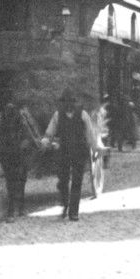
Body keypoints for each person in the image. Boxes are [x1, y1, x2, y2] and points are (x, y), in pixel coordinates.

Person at [43, 88, 103, 221]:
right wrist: (45, 141)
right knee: (63, 181)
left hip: (79, 152)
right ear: (63, 103)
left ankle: (73, 212)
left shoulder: (83, 115)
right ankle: (65, 204)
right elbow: (50, 132)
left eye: (71, 102)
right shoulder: (58, 115)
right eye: (66, 102)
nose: (68, 104)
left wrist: (95, 148)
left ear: (74, 103)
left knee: (77, 181)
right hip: (63, 152)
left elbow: (90, 134)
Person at [0, 96, 40, 222]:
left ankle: (18, 207)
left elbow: (27, 134)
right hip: (8, 152)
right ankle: (12, 210)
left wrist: (25, 145)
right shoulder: (1, 119)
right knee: (11, 182)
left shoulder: (21, 118)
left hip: (19, 153)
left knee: (20, 180)